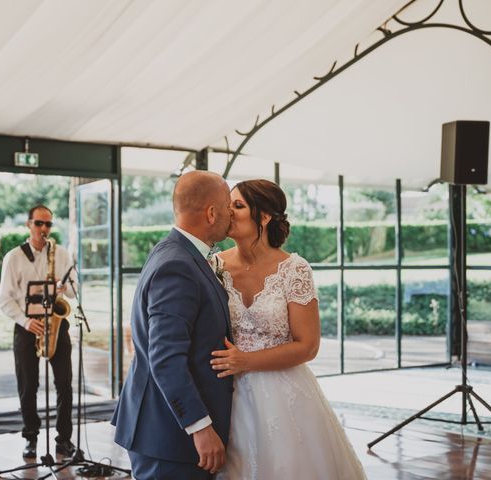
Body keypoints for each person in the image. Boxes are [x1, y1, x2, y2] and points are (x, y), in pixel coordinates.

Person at [211, 179, 366, 479]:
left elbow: (308, 345)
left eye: (238, 206)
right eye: (228, 205)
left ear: (265, 216)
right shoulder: (213, 265)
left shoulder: (295, 269)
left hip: (285, 397)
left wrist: (246, 361)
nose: (228, 212)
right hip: (226, 393)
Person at [112, 170, 234, 480]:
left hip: (168, 432)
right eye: (228, 205)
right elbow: (165, 357)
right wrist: (200, 426)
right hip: (169, 435)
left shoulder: (177, 252)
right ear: (211, 213)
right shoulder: (177, 265)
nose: (231, 213)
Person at [0, 204, 77, 459]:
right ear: (28, 224)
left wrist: (66, 289)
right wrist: (24, 321)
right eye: (39, 224)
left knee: (64, 384)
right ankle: (31, 437)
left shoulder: (61, 254)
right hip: (26, 326)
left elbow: (75, 289)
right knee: (28, 385)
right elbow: (5, 300)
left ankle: (64, 439)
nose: (44, 229)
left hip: (56, 323)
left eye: (48, 224)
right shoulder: (14, 257)